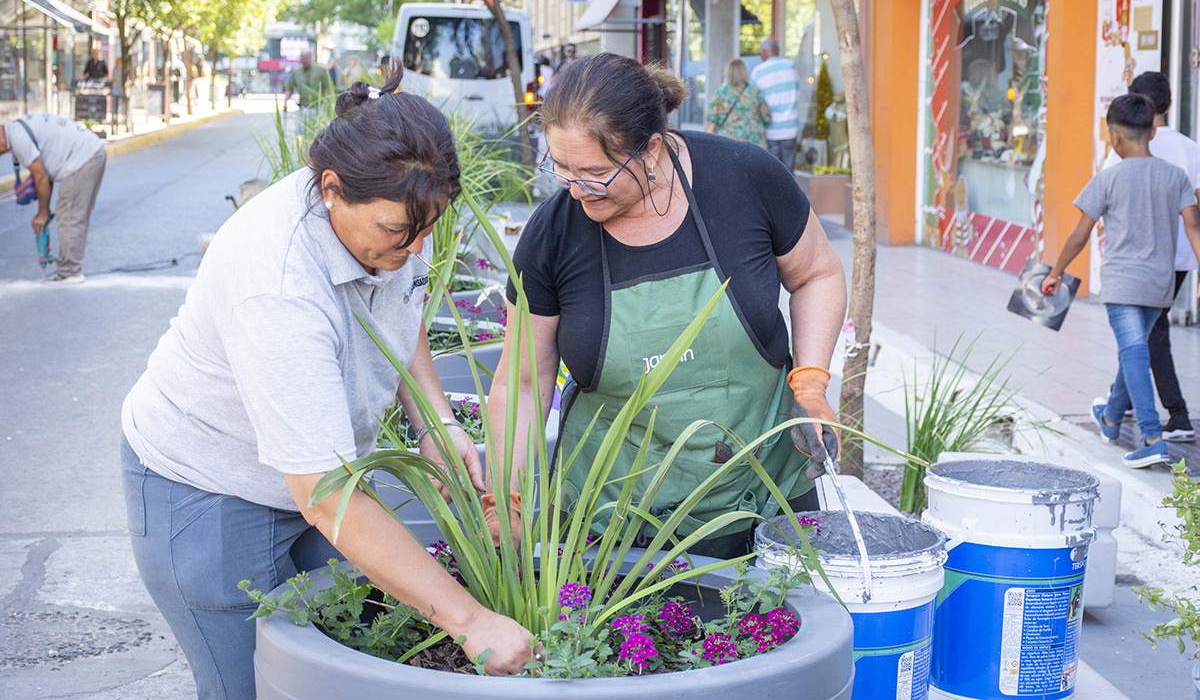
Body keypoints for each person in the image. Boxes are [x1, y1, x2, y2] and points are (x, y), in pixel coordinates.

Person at [120, 73, 536, 699]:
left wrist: (435, 422)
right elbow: (324, 493)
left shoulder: (399, 212)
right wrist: (471, 621)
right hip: (209, 490)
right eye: (400, 235)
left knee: (344, 659)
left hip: (314, 481)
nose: (416, 247)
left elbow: (402, 304)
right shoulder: (280, 288)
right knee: (254, 688)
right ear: (331, 189)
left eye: (428, 231)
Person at [483, 54, 847, 558]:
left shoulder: (744, 179)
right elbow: (522, 381)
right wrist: (511, 499)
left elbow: (816, 274)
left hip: (764, 499)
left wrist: (811, 381)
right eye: (559, 167)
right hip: (611, 525)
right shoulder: (552, 235)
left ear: (651, 149)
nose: (573, 187)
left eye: (594, 172)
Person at [1042, 93, 1200, 469]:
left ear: (1114, 137)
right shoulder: (1175, 176)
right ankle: (1111, 419)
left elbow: (1079, 235)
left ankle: (1151, 437)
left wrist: (1056, 271)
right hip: (1160, 284)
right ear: (1151, 130)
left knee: (1133, 352)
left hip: (1123, 283)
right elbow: (1194, 227)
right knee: (1135, 351)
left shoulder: (1107, 178)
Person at [1126, 71, 1199, 439]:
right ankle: (1118, 402)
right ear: (1168, 103)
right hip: (1182, 256)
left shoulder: (1135, 142)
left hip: (1144, 254)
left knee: (1149, 332)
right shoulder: (1190, 147)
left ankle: (1179, 415)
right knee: (1141, 328)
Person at [0, 113, 106, 283]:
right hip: (91, 151)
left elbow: (40, 176)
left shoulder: (18, 138)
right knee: (74, 214)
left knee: (69, 214)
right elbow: (44, 175)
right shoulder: (17, 129)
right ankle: (71, 267)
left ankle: (70, 271)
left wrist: (42, 214)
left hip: (82, 158)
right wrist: (44, 210)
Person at [751, 36, 802, 168]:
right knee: (789, 172)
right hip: (791, 128)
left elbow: (755, 102)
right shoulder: (791, 67)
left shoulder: (758, 72)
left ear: (764, 51)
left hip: (771, 130)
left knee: (774, 171)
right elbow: (797, 93)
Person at [705, 58, 772, 149]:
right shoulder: (755, 92)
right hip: (754, 145)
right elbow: (767, 118)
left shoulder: (720, 94)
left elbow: (711, 125)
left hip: (728, 144)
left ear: (728, 73)